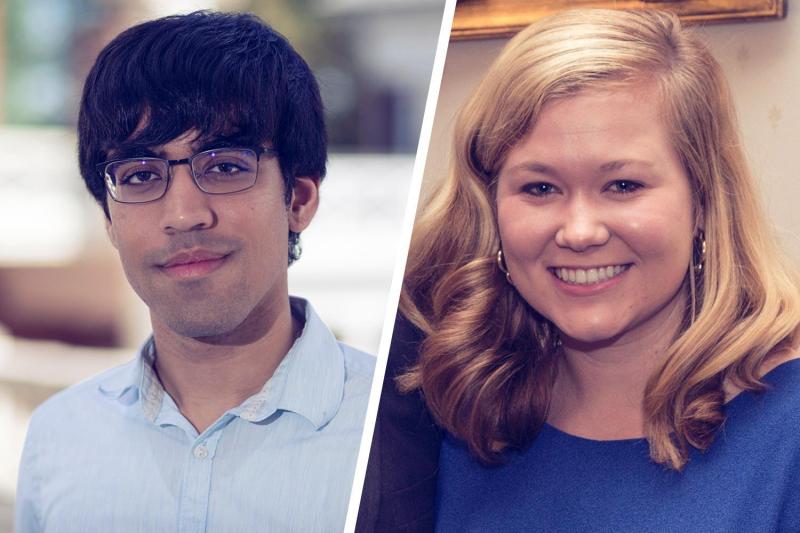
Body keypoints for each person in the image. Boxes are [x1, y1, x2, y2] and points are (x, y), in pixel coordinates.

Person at [392, 8, 800, 532]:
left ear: (703, 200)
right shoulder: (453, 397)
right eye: (539, 188)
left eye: (623, 185)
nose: (579, 231)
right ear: (491, 207)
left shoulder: (787, 427)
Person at [15, 11, 375, 533]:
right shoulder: (59, 436)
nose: (184, 215)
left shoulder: (390, 425)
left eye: (225, 165)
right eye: (139, 175)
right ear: (110, 220)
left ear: (298, 198)